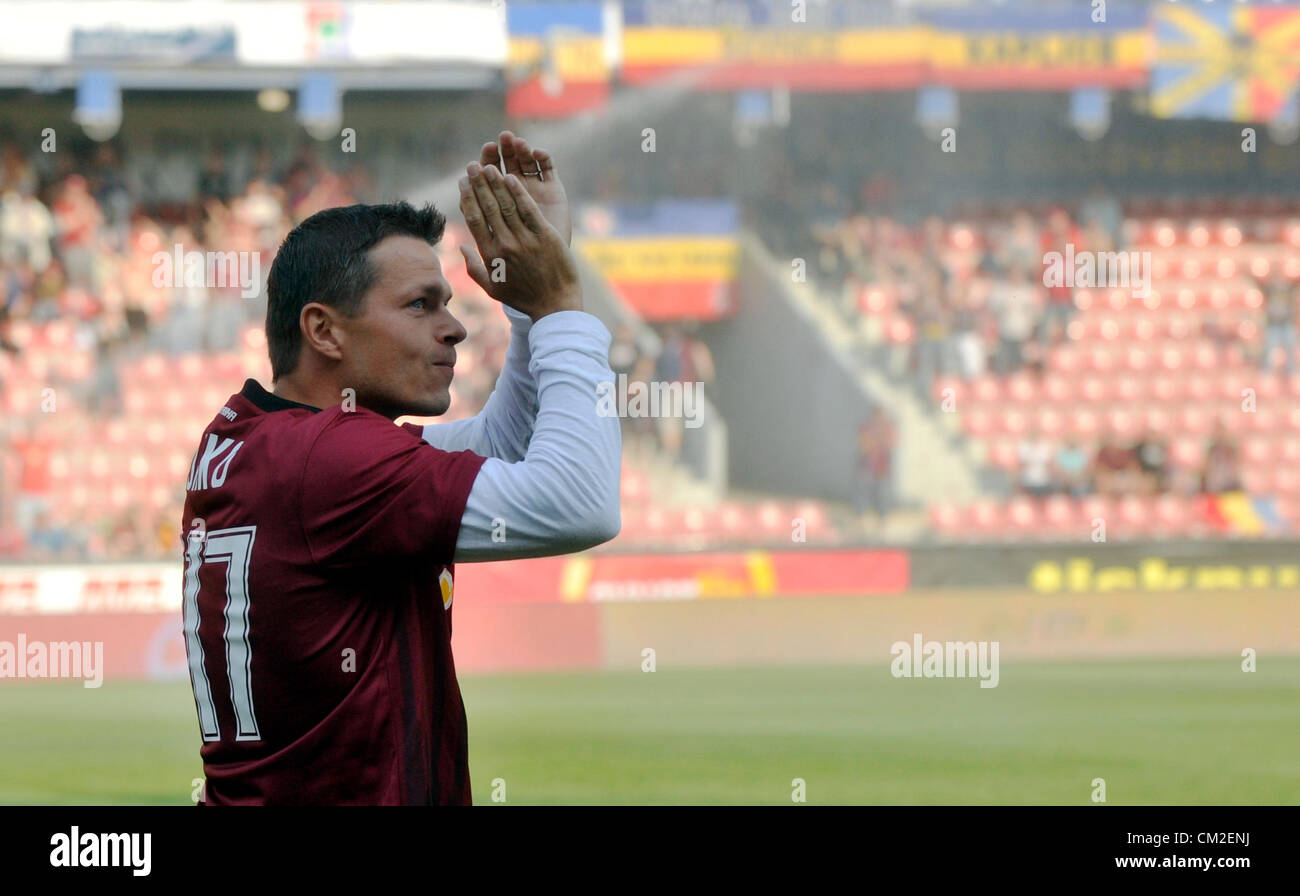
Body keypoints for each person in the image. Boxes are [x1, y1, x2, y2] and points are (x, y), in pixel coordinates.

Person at [181, 132, 620, 806]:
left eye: (446, 302)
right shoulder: (330, 461)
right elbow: (580, 503)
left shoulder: (261, 439)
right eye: (421, 305)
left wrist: (529, 312)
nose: (454, 328)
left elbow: (496, 448)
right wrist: (562, 308)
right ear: (325, 331)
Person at [1260, 272, 1296, 376]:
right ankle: (1266, 371)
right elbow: (1259, 284)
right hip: (1273, 325)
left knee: (1290, 347)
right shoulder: (1269, 290)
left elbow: (1296, 283)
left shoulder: (1288, 289)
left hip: (1286, 324)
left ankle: (1292, 370)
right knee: (1269, 348)